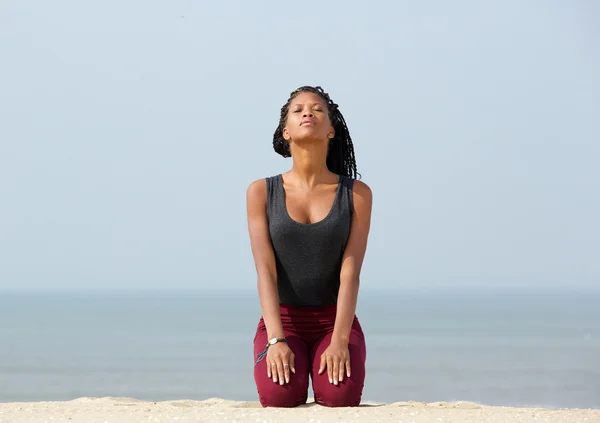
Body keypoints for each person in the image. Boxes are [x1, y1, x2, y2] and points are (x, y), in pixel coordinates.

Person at [246, 86, 373, 408]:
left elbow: (351, 273)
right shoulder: (261, 191)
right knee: (280, 398)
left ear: (331, 129)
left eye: (317, 109)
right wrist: (276, 339)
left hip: (334, 320)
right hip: (283, 319)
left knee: (339, 396)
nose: (308, 113)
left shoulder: (356, 193)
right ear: (285, 131)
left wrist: (340, 340)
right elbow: (265, 271)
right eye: (298, 109)